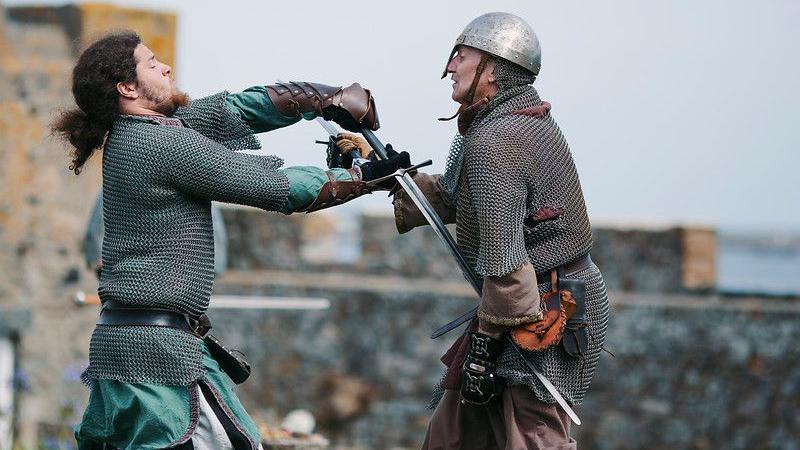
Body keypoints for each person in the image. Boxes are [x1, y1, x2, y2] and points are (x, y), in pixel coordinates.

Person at [52, 30, 408, 449]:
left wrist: (323, 99)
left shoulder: (141, 135)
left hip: (133, 344)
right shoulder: (159, 144)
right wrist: (360, 178)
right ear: (127, 88)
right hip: (159, 353)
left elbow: (232, 111)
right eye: (151, 63)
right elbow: (272, 186)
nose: (165, 67)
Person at [341, 12, 610, 449]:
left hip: (543, 312)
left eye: (460, 56)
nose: (450, 67)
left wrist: (483, 347)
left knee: (533, 437)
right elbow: (458, 199)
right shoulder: (496, 127)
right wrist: (387, 174)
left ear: (491, 69)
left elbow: (508, 266)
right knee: (454, 435)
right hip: (517, 304)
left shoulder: (497, 140)